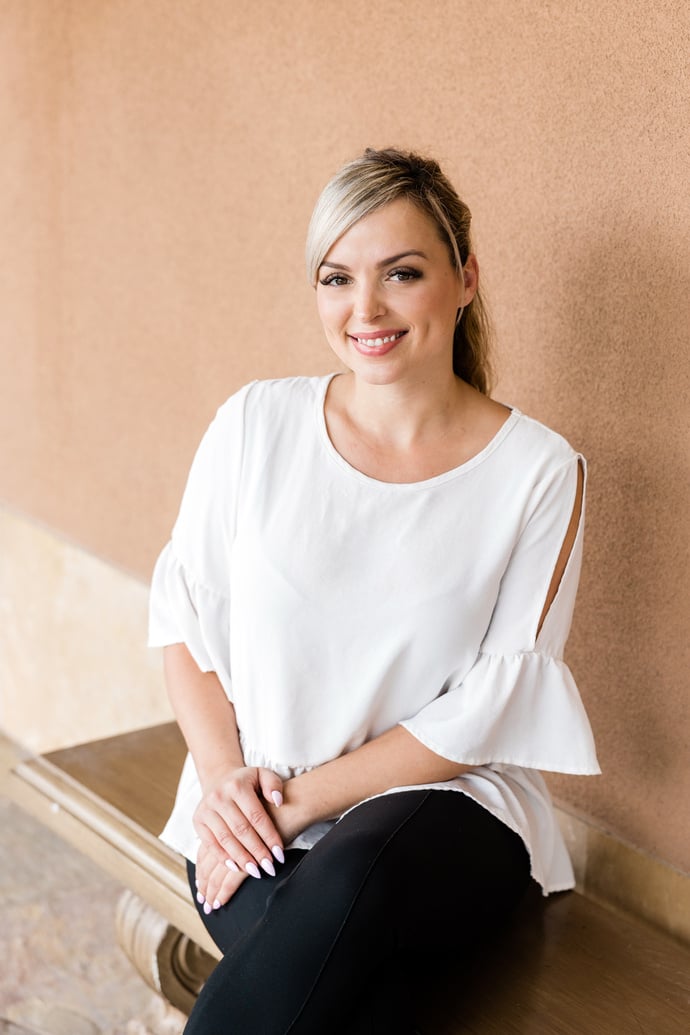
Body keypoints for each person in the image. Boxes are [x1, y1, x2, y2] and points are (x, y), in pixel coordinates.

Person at [148, 147, 600, 1033]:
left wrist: (302, 799)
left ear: (465, 279)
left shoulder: (538, 471)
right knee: (364, 1002)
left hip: (445, 814)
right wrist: (223, 783)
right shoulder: (254, 425)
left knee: (351, 881)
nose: (366, 310)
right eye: (337, 278)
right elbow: (184, 616)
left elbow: (491, 705)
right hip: (251, 810)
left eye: (402, 273)